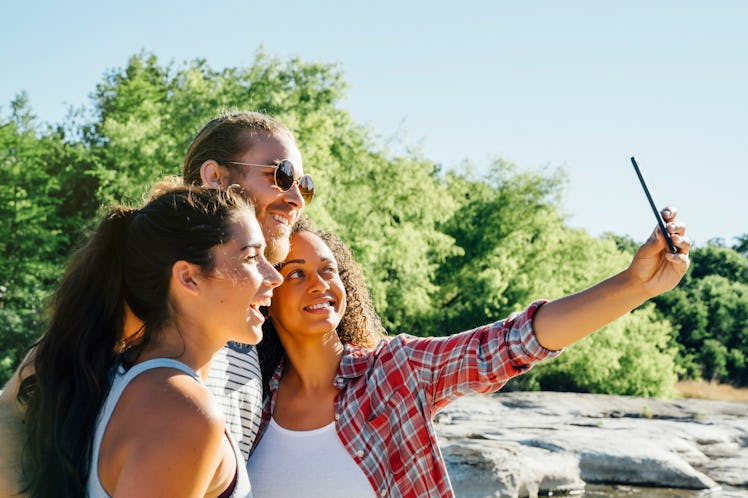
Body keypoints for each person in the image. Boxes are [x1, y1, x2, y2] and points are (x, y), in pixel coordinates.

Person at [247, 210, 691, 497]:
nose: (320, 284)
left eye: (328, 271)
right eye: (296, 273)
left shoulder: (394, 372)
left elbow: (514, 342)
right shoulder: (249, 399)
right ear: (266, 289)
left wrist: (635, 285)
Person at [0, 111, 312, 495]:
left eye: (304, 184)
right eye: (280, 175)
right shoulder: (143, 298)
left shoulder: (254, 315)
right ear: (215, 176)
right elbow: (13, 413)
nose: (296, 197)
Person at [18, 184, 282, 497]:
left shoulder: (120, 379)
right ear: (188, 277)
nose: (274, 275)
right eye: (251, 257)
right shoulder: (180, 411)